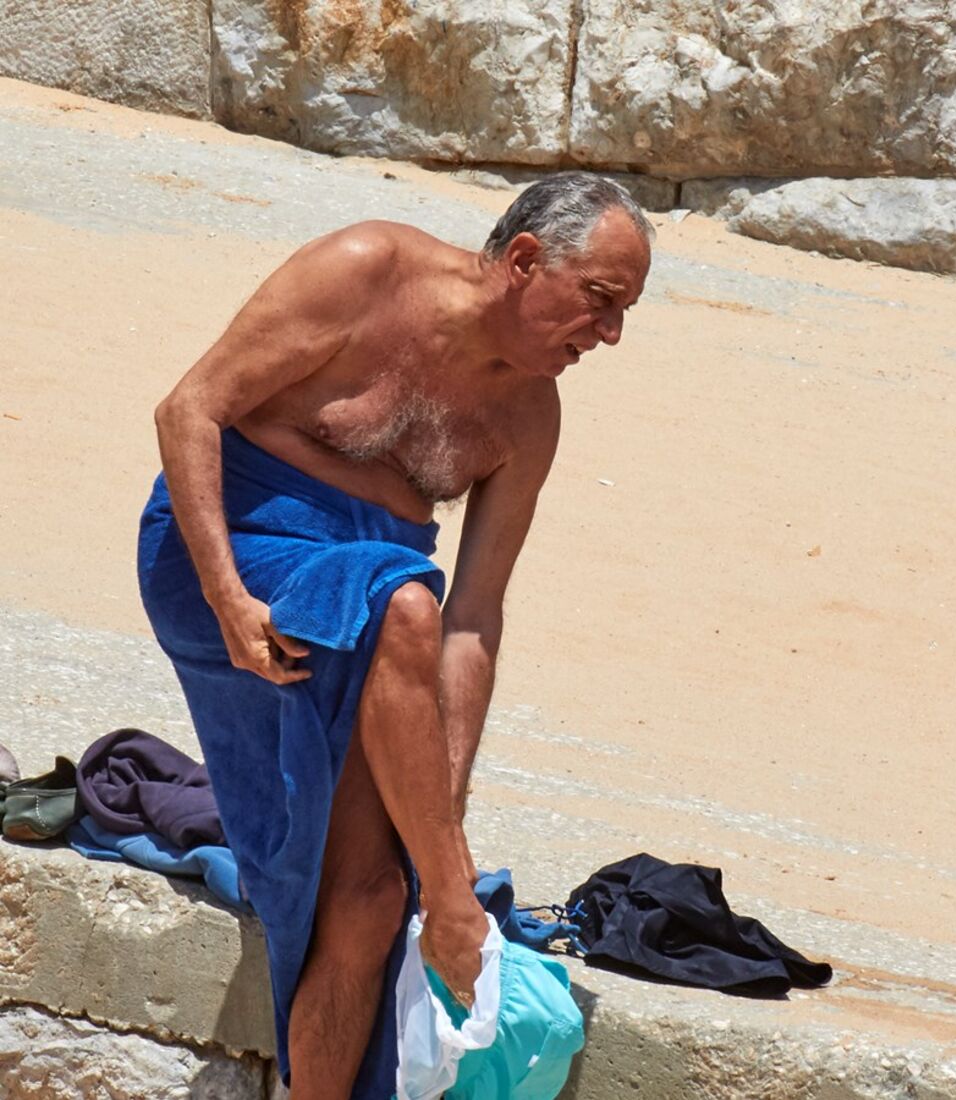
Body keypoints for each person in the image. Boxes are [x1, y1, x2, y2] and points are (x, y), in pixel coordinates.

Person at [138, 172, 652, 1099]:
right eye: (600, 301)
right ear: (527, 261)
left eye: (624, 315)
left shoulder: (530, 416)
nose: (609, 335)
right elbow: (190, 410)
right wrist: (226, 597)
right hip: (238, 551)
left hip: (377, 622)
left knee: (374, 897)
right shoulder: (367, 270)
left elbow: (478, 616)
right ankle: (453, 906)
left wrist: (435, 816)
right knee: (406, 598)